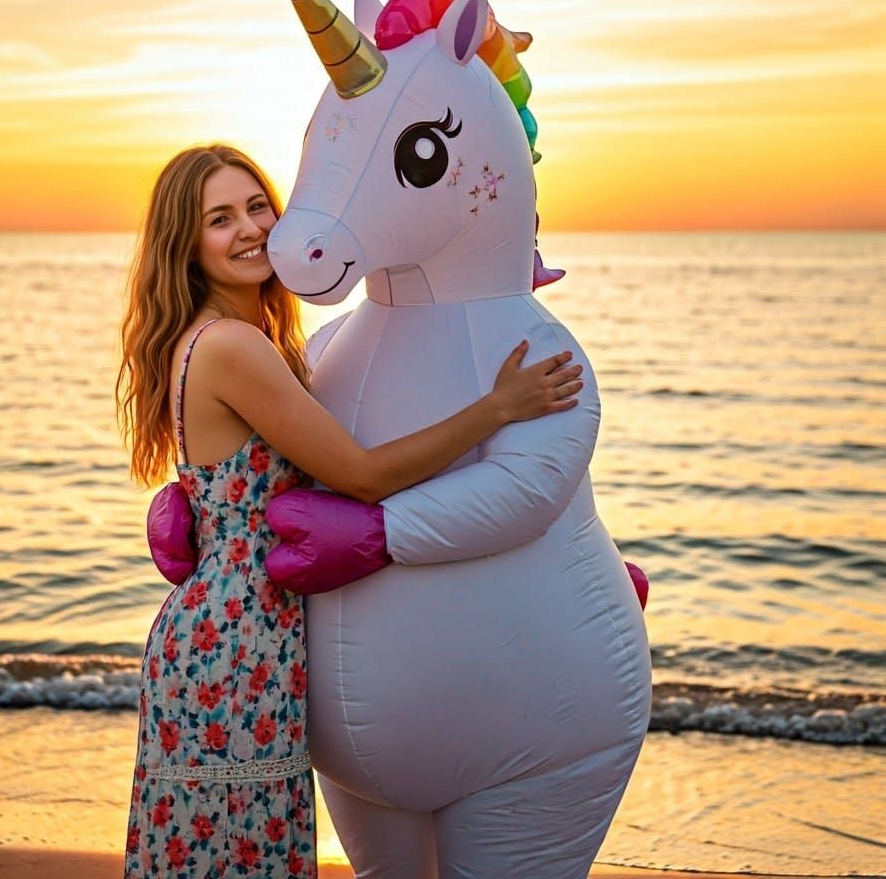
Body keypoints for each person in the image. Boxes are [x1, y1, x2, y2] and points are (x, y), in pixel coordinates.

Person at [116, 143, 585, 878]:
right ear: (187, 245)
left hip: (219, 633)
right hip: (236, 647)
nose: (246, 229)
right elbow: (362, 477)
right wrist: (496, 408)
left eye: (257, 207)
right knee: (246, 856)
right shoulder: (234, 347)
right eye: (219, 218)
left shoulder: (218, 339)